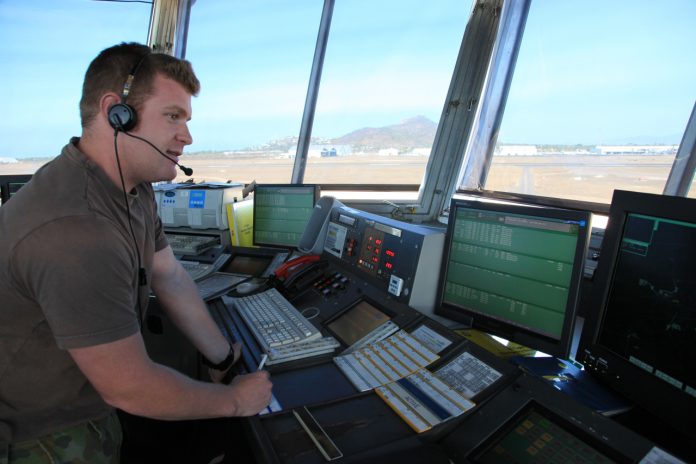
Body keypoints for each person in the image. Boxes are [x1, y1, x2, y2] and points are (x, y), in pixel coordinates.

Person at [0, 42, 272, 463]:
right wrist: (236, 400)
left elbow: (169, 275)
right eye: (172, 116)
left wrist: (222, 358)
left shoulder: (131, 189)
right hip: (42, 431)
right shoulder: (75, 229)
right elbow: (130, 386)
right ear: (117, 114)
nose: (187, 136)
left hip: (91, 399)